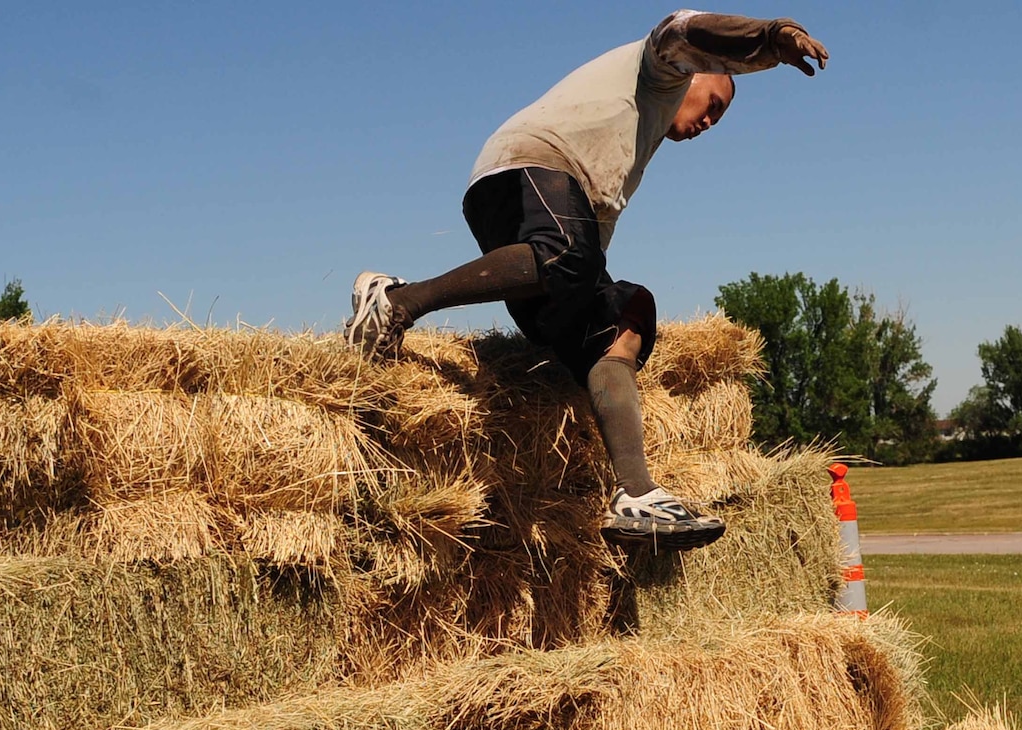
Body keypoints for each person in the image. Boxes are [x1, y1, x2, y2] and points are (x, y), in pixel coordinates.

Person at [343, 11, 829, 550]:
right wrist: (769, 38)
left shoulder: (633, 145)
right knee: (569, 256)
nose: (711, 122)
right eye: (714, 104)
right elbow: (685, 28)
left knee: (621, 317)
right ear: (697, 73)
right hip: (533, 164)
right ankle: (397, 301)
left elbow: (582, 253)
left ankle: (636, 495)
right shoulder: (660, 68)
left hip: (539, 214)